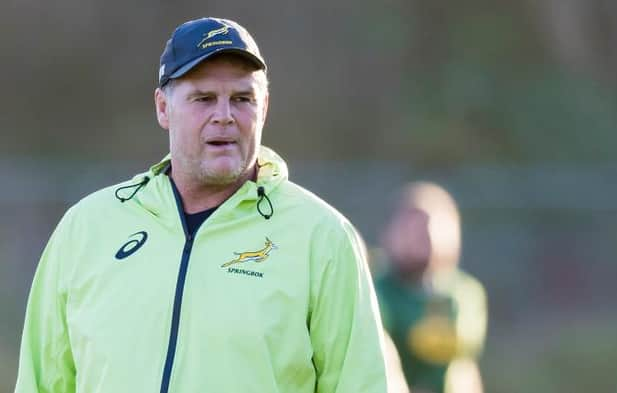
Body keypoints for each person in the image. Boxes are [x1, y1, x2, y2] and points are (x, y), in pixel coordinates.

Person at [14, 17, 390, 393]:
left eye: (242, 99)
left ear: (265, 108)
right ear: (163, 108)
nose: (224, 115)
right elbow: (42, 381)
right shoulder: (86, 227)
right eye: (204, 98)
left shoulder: (322, 238)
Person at [374, 182, 487, 393]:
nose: (420, 237)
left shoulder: (464, 292)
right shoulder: (375, 288)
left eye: (428, 226)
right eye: (410, 227)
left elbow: (462, 357)